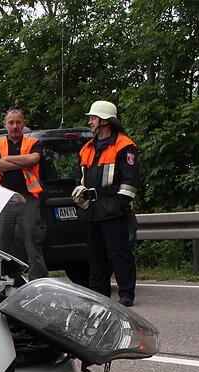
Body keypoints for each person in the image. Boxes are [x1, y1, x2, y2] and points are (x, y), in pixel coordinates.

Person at [72, 100, 138, 306]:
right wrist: (79, 194)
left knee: (119, 252)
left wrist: (119, 204)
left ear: (105, 121)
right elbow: (79, 178)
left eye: (93, 118)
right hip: (91, 209)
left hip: (113, 209)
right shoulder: (87, 148)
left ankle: (126, 294)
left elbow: (130, 181)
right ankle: (99, 295)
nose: (90, 122)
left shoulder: (125, 146)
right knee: (95, 255)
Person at [0, 108, 48, 278]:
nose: (15, 126)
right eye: (11, 122)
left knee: (33, 245)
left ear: (24, 124)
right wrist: (22, 162)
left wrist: (5, 160)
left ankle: (39, 283)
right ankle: (1, 283)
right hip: (3, 200)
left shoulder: (33, 142)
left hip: (28, 200)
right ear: (5, 124)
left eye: (18, 122)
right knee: (2, 246)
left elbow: (33, 159)